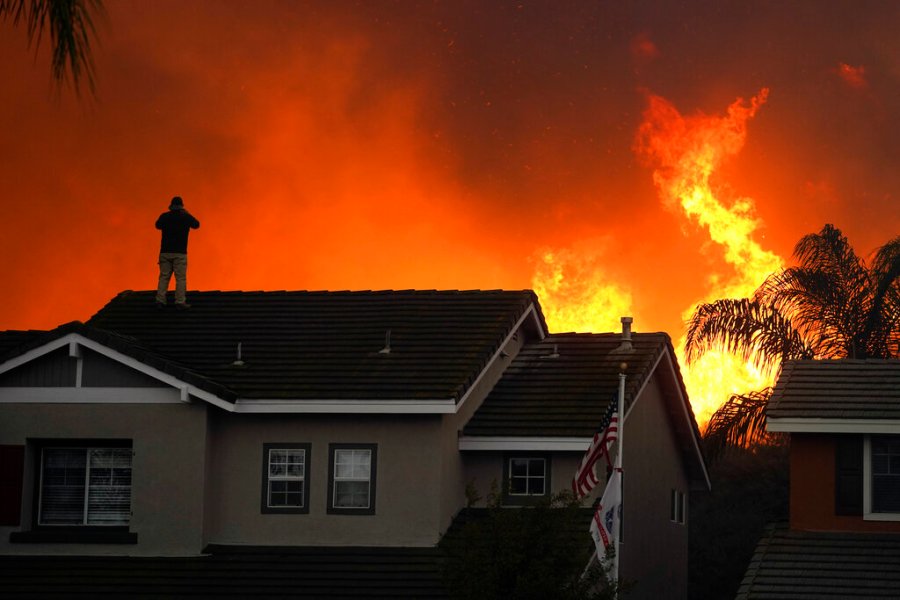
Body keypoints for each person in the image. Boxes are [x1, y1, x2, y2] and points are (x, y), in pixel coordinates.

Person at [155, 196, 200, 309]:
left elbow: (157, 225)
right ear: (181, 207)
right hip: (180, 253)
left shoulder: (165, 216)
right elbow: (196, 224)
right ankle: (180, 301)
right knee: (180, 278)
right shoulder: (185, 217)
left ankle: (160, 300)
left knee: (164, 277)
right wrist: (187, 213)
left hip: (165, 252)